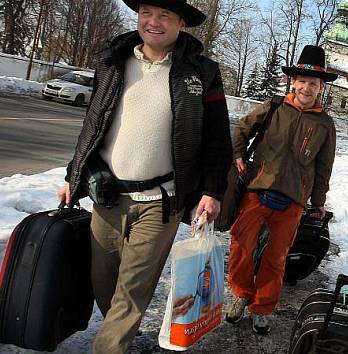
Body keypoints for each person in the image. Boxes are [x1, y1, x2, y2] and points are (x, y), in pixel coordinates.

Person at [56, 0, 232, 352]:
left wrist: (212, 192)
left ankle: (113, 341)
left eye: (165, 15)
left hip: (161, 201)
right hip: (107, 195)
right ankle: (120, 329)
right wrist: (72, 175)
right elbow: (92, 126)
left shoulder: (202, 72)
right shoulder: (112, 61)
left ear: (181, 23)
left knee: (132, 291)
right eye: (147, 13)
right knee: (105, 284)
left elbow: (217, 140)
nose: (154, 22)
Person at [224, 45, 338, 334]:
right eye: (302, 81)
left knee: (275, 260)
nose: (306, 87)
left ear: (321, 87)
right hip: (257, 189)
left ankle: (262, 308)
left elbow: (324, 166)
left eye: (313, 83)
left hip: (293, 201)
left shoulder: (325, 124)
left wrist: (318, 201)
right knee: (241, 248)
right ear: (293, 82)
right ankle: (240, 295)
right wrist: (237, 154)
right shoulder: (274, 106)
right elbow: (242, 128)